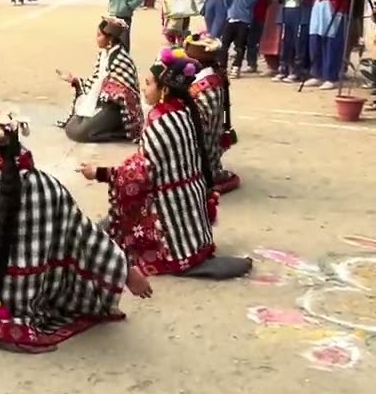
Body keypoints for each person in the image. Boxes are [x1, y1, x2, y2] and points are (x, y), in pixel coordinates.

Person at [0, 107, 150, 352]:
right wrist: (125, 271)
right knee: (67, 236)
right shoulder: (49, 187)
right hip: (31, 299)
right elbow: (87, 236)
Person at [79, 48, 252, 280]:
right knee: (107, 226)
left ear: (164, 90)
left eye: (149, 83)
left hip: (170, 214)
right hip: (189, 207)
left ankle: (179, 258)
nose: (144, 88)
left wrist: (98, 173)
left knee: (111, 234)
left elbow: (140, 173)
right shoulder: (183, 111)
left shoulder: (161, 121)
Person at [58, 17, 143, 143]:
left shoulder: (121, 59)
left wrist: (110, 92)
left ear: (110, 39)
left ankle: (119, 131)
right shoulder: (103, 55)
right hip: (102, 101)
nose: (96, 39)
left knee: (79, 134)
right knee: (71, 127)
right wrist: (75, 80)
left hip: (117, 109)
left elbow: (128, 94)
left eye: (99, 35)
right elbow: (96, 81)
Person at [182, 35, 241, 195]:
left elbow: (193, 130)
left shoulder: (207, 88)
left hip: (202, 157)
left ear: (196, 61)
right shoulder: (209, 78)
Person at [305, 0, 353, 89]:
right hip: (319, 7)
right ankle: (317, 73)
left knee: (332, 42)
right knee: (315, 39)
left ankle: (331, 76)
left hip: (334, 8)